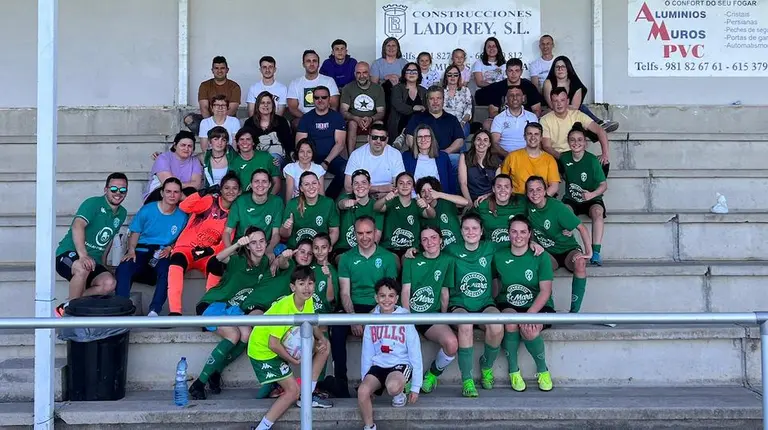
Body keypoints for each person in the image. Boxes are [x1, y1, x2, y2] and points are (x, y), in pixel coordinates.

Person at [189, 227, 271, 400]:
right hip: (214, 303)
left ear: (266, 242)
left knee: (247, 334)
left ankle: (216, 370)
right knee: (233, 334)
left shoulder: (265, 263)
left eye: (261, 241)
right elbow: (214, 262)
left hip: (234, 309)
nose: (258, 246)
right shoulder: (238, 259)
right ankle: (199, 383)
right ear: (248, 246)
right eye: (253, 242)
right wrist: (236, 245)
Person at [248, 266, 333, 430]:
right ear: (293, 287)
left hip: (284, 342)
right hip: (263, 350)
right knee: (292, 391)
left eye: (310, 284)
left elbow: (311, 323)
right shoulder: (284, 307)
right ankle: (261, 428)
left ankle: (307, 395)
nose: (306, 288)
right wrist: (293, 360)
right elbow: (273, 343)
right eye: (302, 284)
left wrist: (321, 338)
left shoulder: (308, 301)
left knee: (325, 347)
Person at [333, 216, 399, 398]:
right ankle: (341, 383)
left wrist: (368, 318)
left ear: (375, 232)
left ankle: (376, 384)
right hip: (353, 306)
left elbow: (388, 294)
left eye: (368, 232)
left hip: (378, 305)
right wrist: (354, 318)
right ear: (354, 234)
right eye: (360, 233)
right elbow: (345, 293)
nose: (364, 237)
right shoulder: (346, 258)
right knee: (336, 329)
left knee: (381, 329)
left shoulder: (387, 257)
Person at [445, 213, 504, 397]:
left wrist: (533, 244)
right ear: (460, 231)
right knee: (465, 324)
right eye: (466, 228)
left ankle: (486, 365)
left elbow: (518, 245)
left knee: (496, 324)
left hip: (485, 303)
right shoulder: (450, 250)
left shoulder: (491, 248)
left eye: (475, 228)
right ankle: (467, 379)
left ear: (481, 231)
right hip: (459, 304)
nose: (471, 232)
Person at [166, 173, 241, 316]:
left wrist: (209, 250)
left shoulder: (235, 212)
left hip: (208, 254)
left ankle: (208, 312)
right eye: (226, 188)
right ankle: (175, 311)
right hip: (186, 248)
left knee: (217, 265)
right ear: (220, 189)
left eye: (234, 188)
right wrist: (201, 193)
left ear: (239, 191)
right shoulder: (209, 201)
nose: (230, 191)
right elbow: (184, 206)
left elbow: (227, 240)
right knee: (175, 263)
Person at [54, 173, 129, 316]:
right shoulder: (93, 203)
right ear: (105, 189)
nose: (118, 193)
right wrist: (83, 255)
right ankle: (72, 316)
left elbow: (109, 239)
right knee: (83, 268)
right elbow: (78, 226)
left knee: (109, 283)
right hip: (69, 253)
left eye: (123, 190)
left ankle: (67, 305)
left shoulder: (122, 213)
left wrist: (103, 264)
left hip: (93, 260)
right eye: (113, 189)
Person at [494, 215, 554, 392]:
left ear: (530, 234)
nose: (518, 236)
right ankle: (513, 370)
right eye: (514, 231)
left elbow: (545, 291)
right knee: (511, 323)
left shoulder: (540, 256)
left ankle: (542, 370)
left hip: (538, 305)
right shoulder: (498, 254)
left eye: (522, 232)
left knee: (530, 328)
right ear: (508, 234)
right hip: (509, 303)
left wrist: (530, 315)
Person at [115, 178, 188, 316]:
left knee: (168, 270)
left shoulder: (182, 216)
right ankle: (121, 309)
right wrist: (131, 250)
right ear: (162, 193)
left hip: (163, 251)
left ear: (180, 195)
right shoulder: (148, 209)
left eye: (176, 192)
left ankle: (154, 310)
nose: (172, 195)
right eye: (168, 191)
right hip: (141, 248)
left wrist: (170, 248)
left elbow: (182, 238)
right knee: (125, 267)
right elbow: (135, 231)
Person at [358, 278, 422, 430]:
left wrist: (416, 386)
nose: (387, 300)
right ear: (376, 297)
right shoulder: (372, 319)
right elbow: (367, 353)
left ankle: (400, 393)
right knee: (362, 392)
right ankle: (369, 426)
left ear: (397, 298)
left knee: (393, 387)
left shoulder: (405, 317)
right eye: (382, 295)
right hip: (379, 364)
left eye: (391, 296)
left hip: (400, 364)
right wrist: (365, 381)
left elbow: (415, 352)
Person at [401, 226, 457, 393]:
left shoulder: (448, 261)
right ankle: (406, 379)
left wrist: (444, 317)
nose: (429, 242)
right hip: (409, 314)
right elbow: (405, 291)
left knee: (452, 344)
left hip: (431, 316)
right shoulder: (411, 259)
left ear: (441, 240)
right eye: (424, 239)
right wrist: (406, 319)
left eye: (433, 238)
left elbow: (444, 292)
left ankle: (432, 374)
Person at [525, 175, 592, 313]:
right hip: (549, 252)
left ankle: (574, 312)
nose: (535, 193)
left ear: (545, 191)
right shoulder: (527, 207)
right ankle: (547, 307)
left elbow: (582, 228)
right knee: (539, 263)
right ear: (526, 193)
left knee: (580, 262)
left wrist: (589, 252)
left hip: (568, 250)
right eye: (531, 190)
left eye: (538, 189)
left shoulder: (557, 207)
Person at [560, 123, 608, 266]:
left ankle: (596, 252)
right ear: (568, 142)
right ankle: (568, 250)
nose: (576, 143)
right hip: (571, 199)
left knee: (598, 213)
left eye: (580, 140)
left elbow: (604, 185)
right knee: (564, 214)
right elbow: (560, 176)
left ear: (585, 143)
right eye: (572, 140)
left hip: (591, 198)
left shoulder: (592, 160)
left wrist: (592, 195)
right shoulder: (564, 158)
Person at [541, 87, 610, 175]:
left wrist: (605, 154)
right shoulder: (545, 120)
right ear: (551, 103)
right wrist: (563, 158)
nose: (559, 104)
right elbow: (547, 147)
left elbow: (601, 131)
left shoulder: (577, 115)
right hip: (558, 156)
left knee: (603, 164)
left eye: (562, 100)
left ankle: (595, 188)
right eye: (555, 101)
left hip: (577, 153)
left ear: (567, 101)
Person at [295, 86, 347, 199]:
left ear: (329, 99)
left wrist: (326, 162)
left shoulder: (337, 117)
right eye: (316, 97)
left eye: (324, 97)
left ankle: (328, 199)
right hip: (310, 157)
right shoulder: (306, 118)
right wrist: (308, 160)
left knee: (346, 169)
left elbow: (340, 143)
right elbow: (300, 143)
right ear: (313, 99)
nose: (320, 100)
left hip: (331, 158)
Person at [543, 55, 619, 133]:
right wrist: (565, 106)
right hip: (553, 112)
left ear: (568, 69)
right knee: (581, 109)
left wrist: (565, 107)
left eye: (563, 66)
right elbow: (552, 105)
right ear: (553, 69)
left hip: (572, 113)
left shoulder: (575, 83)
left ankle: (598, 127)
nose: (560, 69)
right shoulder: (548, 83)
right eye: (557, 67)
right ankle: (598, 124)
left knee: (581, 108)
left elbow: (575, 107)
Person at [223, 169, 284, 257]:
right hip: (242, 248)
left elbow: (275, 233)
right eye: (256, 181)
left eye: (264, 181)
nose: (260, 185)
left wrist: (269, 250)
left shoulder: (277, 202)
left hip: (263, 247)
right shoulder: (240, 201)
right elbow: (227, 232)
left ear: (270, 184)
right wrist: (231, 252)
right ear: (251, 184)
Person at [374, 172, 434, 260]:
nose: (405, 186)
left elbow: (431, 215)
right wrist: (385, 199)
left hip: (412, 248)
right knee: (393, 261)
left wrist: (427, 206)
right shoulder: (391, 201)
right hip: (390, 248)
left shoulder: (417, 203)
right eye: (401, 183)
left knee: (408, 261)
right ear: (396, 186)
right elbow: (376, 208)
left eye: (408, 183)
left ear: (413, 187)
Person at [404, 86, 465, 172]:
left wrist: (445, 153)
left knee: (459, 160)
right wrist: (422, 153)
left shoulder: (452, 119)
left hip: (446, 156)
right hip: (422, 155)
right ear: (427, 100)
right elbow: (409, 139)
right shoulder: (417, 118)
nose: (435, 102)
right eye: (432, 98)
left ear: (443, 100)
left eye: (438, 98)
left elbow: (459, 141)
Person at [280, 171, 340, 248]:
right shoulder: (292, 204)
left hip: (319, 251)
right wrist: (286, 227)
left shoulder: (328, 203)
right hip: (296, 250)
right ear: (301, 188)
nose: (311, 187)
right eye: (306, 184)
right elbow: (284, 235)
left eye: (314, 183)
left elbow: (334, 231)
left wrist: (325, 247)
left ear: (319, 185)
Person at [344, 124, 404, 198]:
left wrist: (382, 195)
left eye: (382, 138)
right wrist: (379, 189)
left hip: (388, 196)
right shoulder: (356, 154)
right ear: (368, 138)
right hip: (363, 196)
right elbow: (348, 187)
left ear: (387, 140)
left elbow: (399, 184)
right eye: (374, 137)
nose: (378, 141)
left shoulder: (395, 154)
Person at [334, 169, 384, 261]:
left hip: (369, 249)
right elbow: (341, 204)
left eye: (364, 182)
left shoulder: (376, 205)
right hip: (345, 249)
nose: (360, 186)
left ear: (369, 186)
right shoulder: (345, 198)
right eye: (356, 183)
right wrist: (346, 203)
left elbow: (376, 237)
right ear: (352, 186)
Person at [500, 122, 560, 195]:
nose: (533, 137)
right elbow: (503, 181)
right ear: (524, 136)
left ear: (541, 138)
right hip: (517, 199)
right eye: (529, 134)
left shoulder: (549, 159)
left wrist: (540, 199)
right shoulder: (512, 156)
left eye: (536, 134)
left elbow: (554, 186)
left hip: (540, 200)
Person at [143, 131, 201, 203]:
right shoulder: (163, 158)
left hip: (179, 193)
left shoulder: (194, 161)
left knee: (191, 191)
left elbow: (196, 185)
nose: (186, 149)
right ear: (175, 145)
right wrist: (185, 196)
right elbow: (169, 184)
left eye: (190, 146)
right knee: (168, 191)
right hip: (158, 195)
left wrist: (182, 191)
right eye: (183, 145)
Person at [341, 62, 386, 155]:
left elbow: (381, 112)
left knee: (379, 124)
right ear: (354, 74)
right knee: (352, 124)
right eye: (358, 73)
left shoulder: (378, 88)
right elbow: (343, 111)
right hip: (354, 121)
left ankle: (378, 155)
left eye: (364, 72)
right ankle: (351, 157)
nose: (361, 76)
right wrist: (356, 118)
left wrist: (371, 119)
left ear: (369, 73)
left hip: (372, 120)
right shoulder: (348, 88)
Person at [287, 50, 340, 128]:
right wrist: (308, 119)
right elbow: (293, 108)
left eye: (314, 61)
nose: (312, 64)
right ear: (303, 64)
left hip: (326, 117)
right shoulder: (295, 83)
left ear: (318, 64)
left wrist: (322, 118)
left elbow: (334, 105)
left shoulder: (329, 81)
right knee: (296, 123)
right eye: (308, 61)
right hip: (304, 118)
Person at [482, 58, 542, 124]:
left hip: (526, 121)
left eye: (517, 70)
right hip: (504, 122)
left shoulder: (529, 86)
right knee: (487, 124)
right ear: (506, 72)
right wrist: (509, 121)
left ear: (521, 72)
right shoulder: (497, 87)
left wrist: (523, 121)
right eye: (510, 71)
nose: (513, 74)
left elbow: (537, 111)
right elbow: (493, 112)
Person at [476, 174, 528, 249]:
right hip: (492, 252)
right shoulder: (482, 205)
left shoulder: (522, 201)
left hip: (517, 251)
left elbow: (537, 197)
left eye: (506, 187)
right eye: (499, 187)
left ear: (511, 189)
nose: (503, 190)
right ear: (493, 189)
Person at [402, 124, 456, 195]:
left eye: (427, 136)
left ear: (432, 139)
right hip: (414, 199)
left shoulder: (443, 157)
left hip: (439, 199)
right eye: (419, 137)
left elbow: (451, 182)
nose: (423, 139)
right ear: (415, 139)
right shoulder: (407, 156)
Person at [243, 91, 293, 166]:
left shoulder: (281, 121)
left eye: (268, 103)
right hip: (257, 157)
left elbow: (288, 144)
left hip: (278, 157)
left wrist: (292, 155)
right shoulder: (249, 123)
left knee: (273, 159)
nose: (265, 105)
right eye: (262, 103)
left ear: (273, 105)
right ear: (257, 105)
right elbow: (247, 143)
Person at [415, 176, 468, 248]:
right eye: (423, 191)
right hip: (439, 253)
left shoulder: (445, 202)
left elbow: (465, 202)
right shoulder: (419, 208)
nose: (427, 194)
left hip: (458, 247)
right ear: (419, 195)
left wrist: (440, 194)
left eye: (430, 190)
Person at [230, 128, 282, 195]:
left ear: (253, 142)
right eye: (241, 139)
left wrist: (269, 200)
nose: (244, 142)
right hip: (245, 201)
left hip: (268, 198)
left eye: (248, 139)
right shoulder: (234, 163)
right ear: (237, 143)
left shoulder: (266, 157)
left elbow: (277, 182)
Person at [490, 86, 539, 156]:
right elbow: (495, 143)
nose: (515, 98)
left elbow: (536, 141)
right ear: (506, 99)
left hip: (527, 157)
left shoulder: (532, 117)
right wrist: (509, 156)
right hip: (504, 157)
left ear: (523, 98)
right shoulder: (498, 118)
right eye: (511, 95)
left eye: (518, 95)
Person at [386, 63, 427, 145]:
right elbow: (398, 105)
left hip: (419, 126)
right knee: (413, 116)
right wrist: (413, 108)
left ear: (419, 74)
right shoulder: (397, 88)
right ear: (404, 74)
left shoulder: (424, 91)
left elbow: (426, 108)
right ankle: (402, 135)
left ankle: (403, 135)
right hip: (399, 123)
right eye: (408, 71)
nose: (411, 73)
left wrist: (423, 109)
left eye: (414, 71)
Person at [458, 130, 501, 203]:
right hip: (469, 198)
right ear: (474, 142)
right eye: (478, 139)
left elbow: (498, 185)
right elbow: (463, 183)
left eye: (485, 140)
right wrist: (469, 203)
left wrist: (487, 196)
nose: (481, 143)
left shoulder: (495, 160)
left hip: (489, 198)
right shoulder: (465, 157)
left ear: (489, 144)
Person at [442, 65, 473, 137]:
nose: (452, 77)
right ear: (446, 77)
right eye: (450, 75)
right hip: (444, 122)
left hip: (462, 121)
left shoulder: (465, 90)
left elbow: (468, 111)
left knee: (460, 132)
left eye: (455, 75)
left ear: (459, 76)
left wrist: (462, 123)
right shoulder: (440, 91)